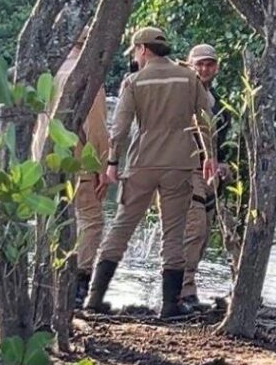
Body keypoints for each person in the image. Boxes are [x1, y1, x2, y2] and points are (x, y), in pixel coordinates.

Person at [84, 26, 216, 319]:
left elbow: (119, 129)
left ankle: (94, 298)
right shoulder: (189, 77)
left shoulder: (134, 81)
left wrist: (112, 163)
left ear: (143, 49)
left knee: (122, 226)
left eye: (135, 51)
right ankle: (170, 305)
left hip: (141, 162)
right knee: (174, 232)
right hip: (179, 162)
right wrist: (210, 156)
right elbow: (205, 119)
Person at [30, 41, 110, 309]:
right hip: (77, 155)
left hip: (44, 154)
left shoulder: (50, 72)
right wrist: (101, 165)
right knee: (91, 218)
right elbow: (96, 125)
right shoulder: (89, 73)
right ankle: (78, 284)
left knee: (51, 217)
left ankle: (44, 280)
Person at [179, 44, 234, 311]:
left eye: (209, 64)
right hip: (184, 172)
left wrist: (226, 165)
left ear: (217, 67)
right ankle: (184, 292)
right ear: (189, 65)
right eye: (199, 63)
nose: (204, 69)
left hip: (210, 177)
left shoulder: (220, 105)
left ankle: (186, 290)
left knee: (202, 234)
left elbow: (225, 144)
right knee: (194, 228)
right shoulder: (179, 95)